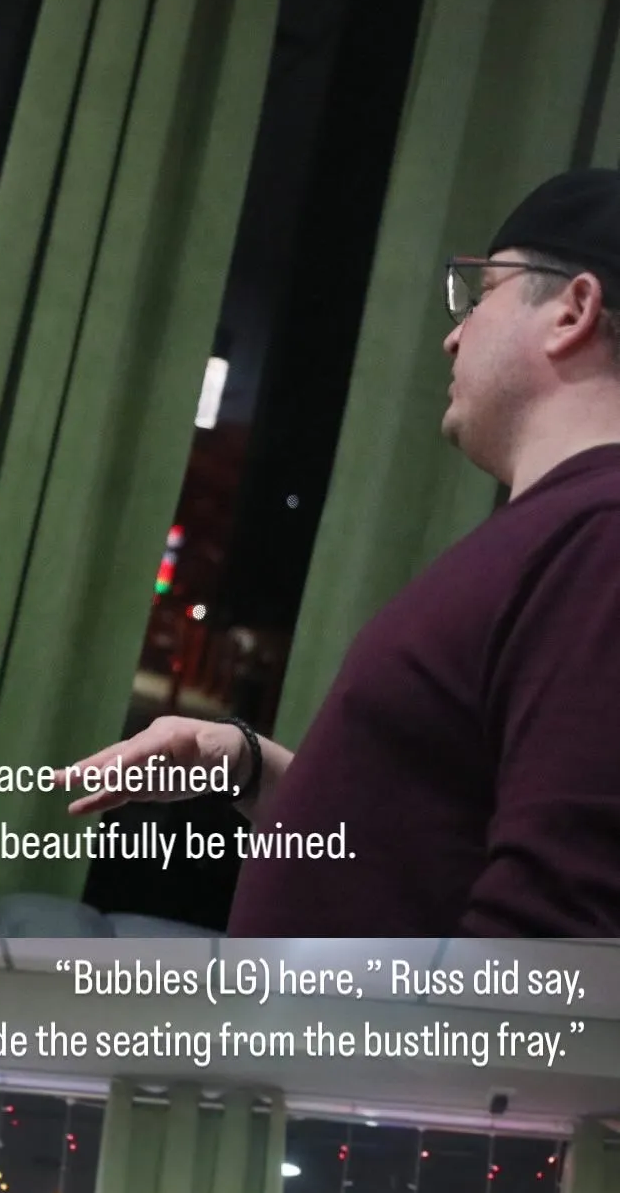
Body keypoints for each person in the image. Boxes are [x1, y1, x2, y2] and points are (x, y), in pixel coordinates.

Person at [61, 168, 620, 934]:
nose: (453, 332)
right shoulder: (560, 535)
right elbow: (417, 855)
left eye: (480, 291)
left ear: (572, 310)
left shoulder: (599, 542)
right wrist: (249, 765)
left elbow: (550, 937)